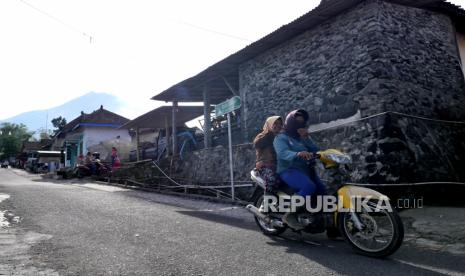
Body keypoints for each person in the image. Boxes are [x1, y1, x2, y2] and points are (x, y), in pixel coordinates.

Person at [273, 109, 327, 229]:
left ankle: (321, 220)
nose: (300, 125)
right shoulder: (281, 138)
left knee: (323, 190)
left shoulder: (302, 138)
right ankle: (289, 214)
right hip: (288, 170)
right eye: (297, 123)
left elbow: (315, 150)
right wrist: (297, 154)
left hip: (306, 170)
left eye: (302, 123)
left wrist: (307, 138)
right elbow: (283, 153)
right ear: (291, 122)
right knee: (309, 187)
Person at [253, 116, 283, 193]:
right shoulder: (262, 136)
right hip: (265, 165)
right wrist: (270, 134)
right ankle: (268, 200)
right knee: (273, 179)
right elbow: (256, 144)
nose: (278, 126)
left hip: (280, 165)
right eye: (275, 123)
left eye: (280, 124)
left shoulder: (282, 137)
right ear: (269, 124)